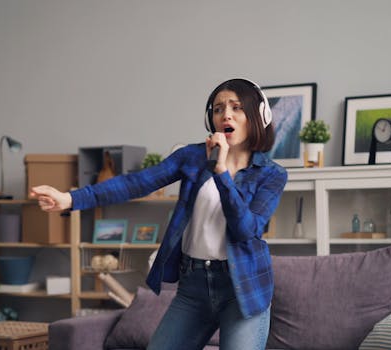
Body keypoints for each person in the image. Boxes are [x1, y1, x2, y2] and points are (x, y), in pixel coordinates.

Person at [30, 78, 288, 350]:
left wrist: (221, 172)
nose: (226, 114)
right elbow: (136, 183)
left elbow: (246, 230)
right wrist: (70, 199)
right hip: (195, 285)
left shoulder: (272, 175)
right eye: (218, 109)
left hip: (244, 290)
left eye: (237, 108)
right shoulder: (192, 157)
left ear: (258, 115)